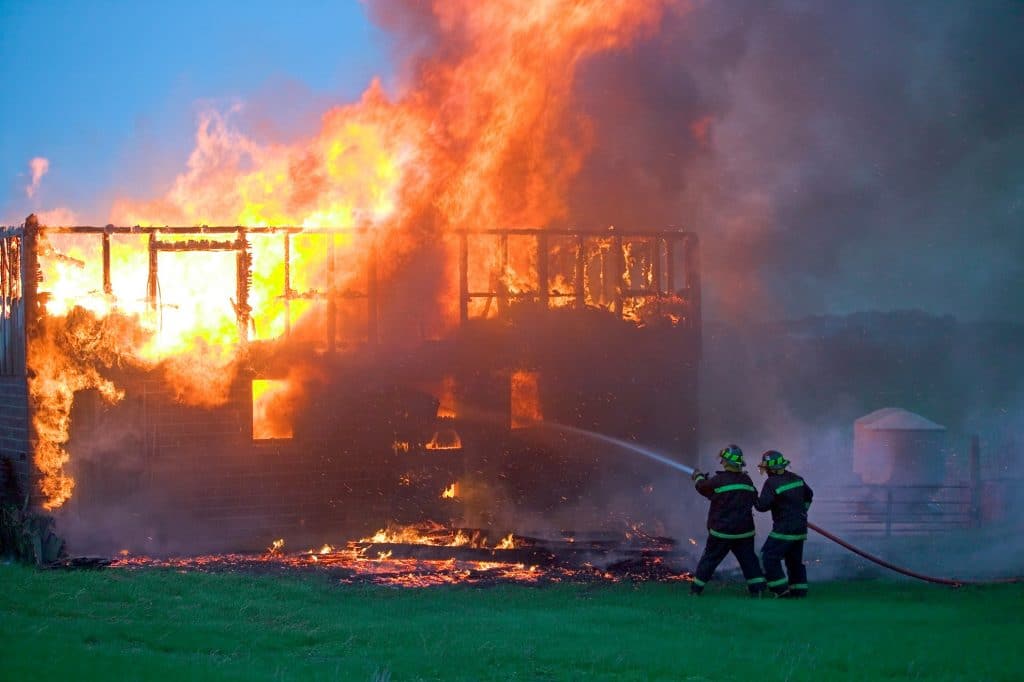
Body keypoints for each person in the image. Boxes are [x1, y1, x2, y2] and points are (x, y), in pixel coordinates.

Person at [690, 445, 766, 596]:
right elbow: (753, 498)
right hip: (744, 532)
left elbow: (702, 487)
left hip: (722, 532)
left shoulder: (718, 481)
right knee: (749, 561)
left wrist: (698, 476)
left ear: (725, 462)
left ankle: (695, 591)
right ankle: (757, 591)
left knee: (709, 561)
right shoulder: (746, 480)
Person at [754, 450, 814, 597]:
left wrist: (753, 496)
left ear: (771, 469)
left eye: (766, 468)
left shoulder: (771, 482)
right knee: (794, 561)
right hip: (800, 528)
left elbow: (762, 507)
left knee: (768, 556)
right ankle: (799, 591)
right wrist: (802, 512)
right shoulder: (797, 478)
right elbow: (809, 495)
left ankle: (780, 590)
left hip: (784, 529)